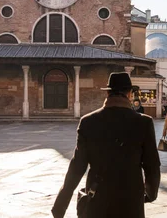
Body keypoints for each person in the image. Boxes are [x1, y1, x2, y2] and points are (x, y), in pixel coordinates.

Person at [52, 72, 160, 218]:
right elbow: (151, 164)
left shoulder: (88, 122)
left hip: (97, 196)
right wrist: (151, 193)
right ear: (129, 94)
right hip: (130, 198)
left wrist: (61, 203)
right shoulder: (143, 123)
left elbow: (77, 166)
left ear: (108, 93)